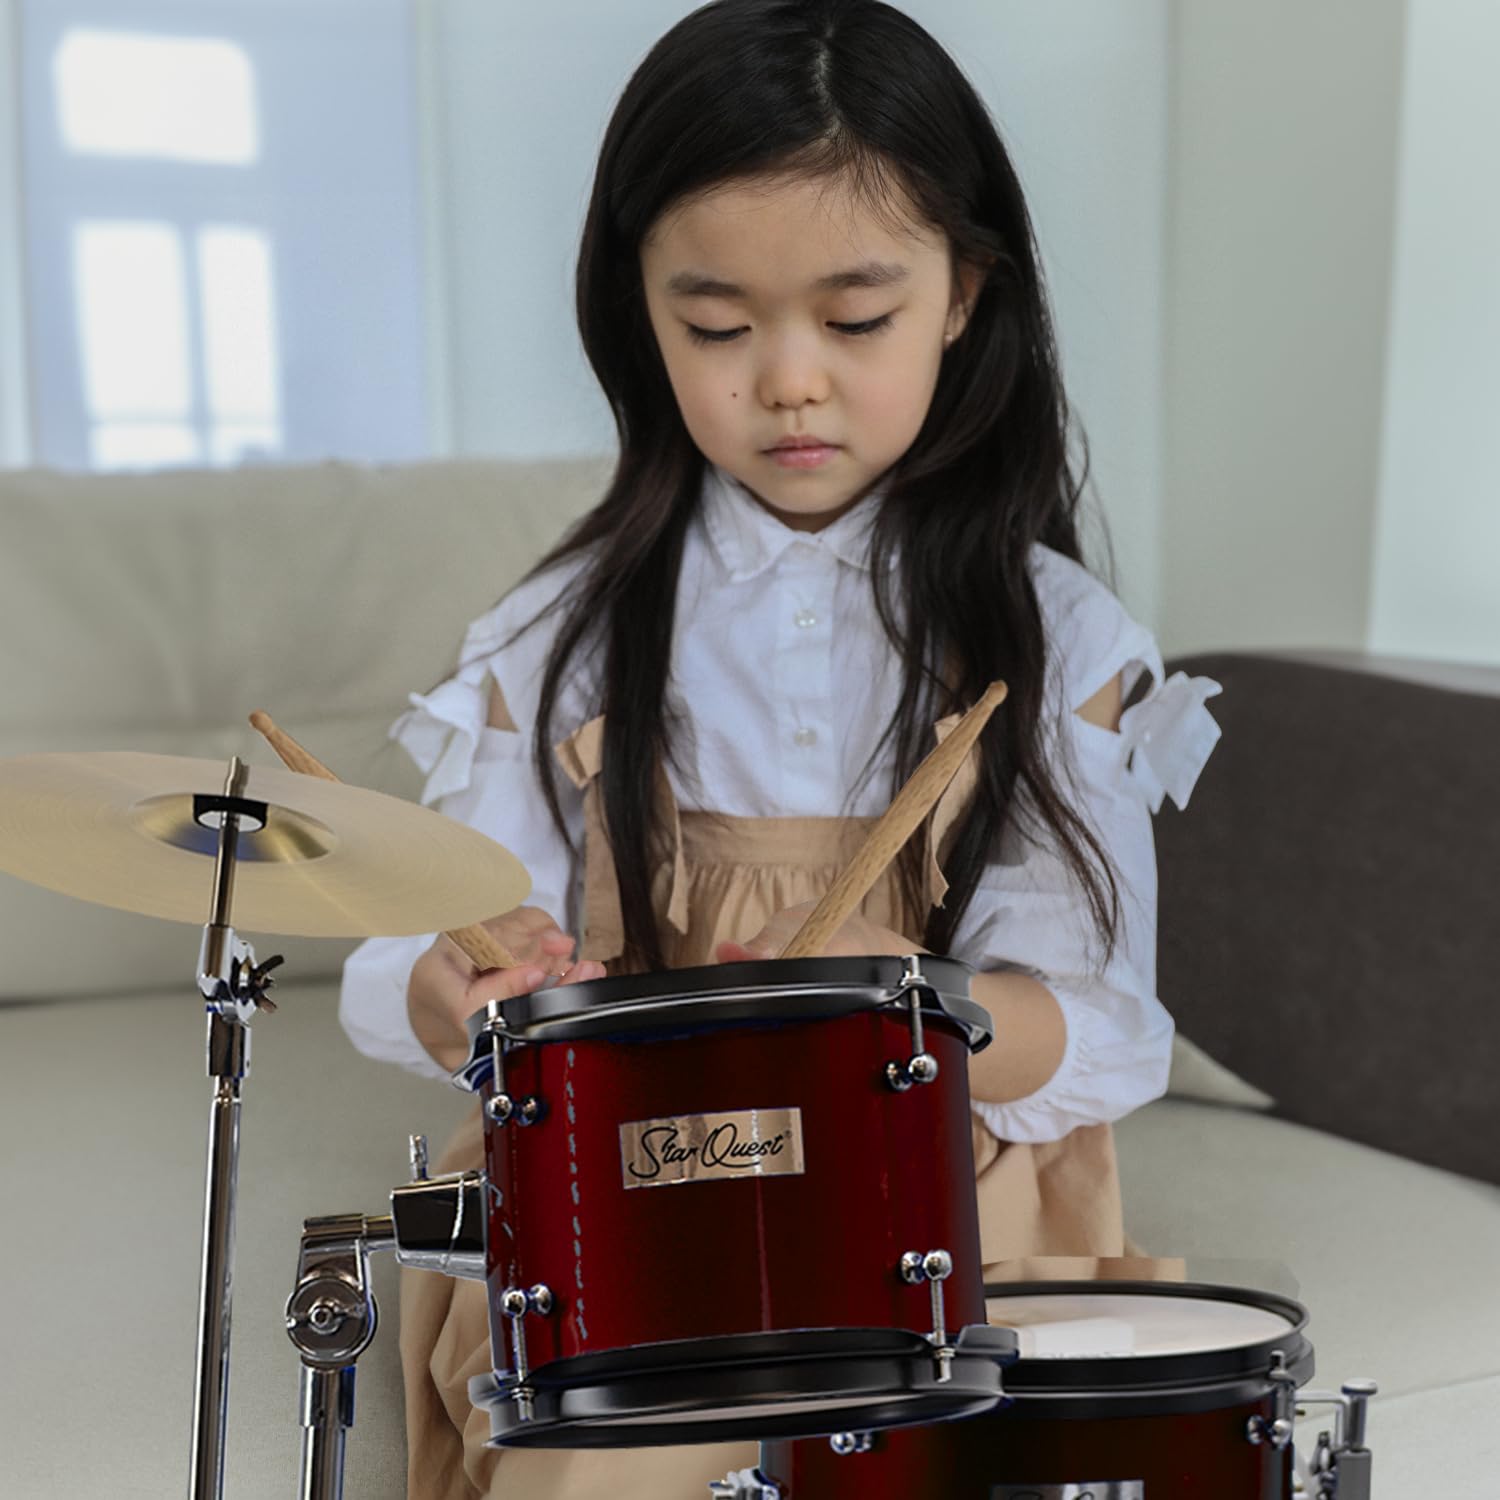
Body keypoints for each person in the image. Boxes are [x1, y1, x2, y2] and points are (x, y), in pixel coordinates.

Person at [339, 2, 1223, 1495]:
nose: (789, 379)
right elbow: (436, 930)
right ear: (640, 312)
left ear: (963, 295)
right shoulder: (557, 629)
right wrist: (445, 987)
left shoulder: (1062, 648)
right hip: (644, 1188)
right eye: (718, 327)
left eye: (857, 319)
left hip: (932, 1179)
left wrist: (889, 1020)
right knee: (611, 1436)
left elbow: (1110, 1021)